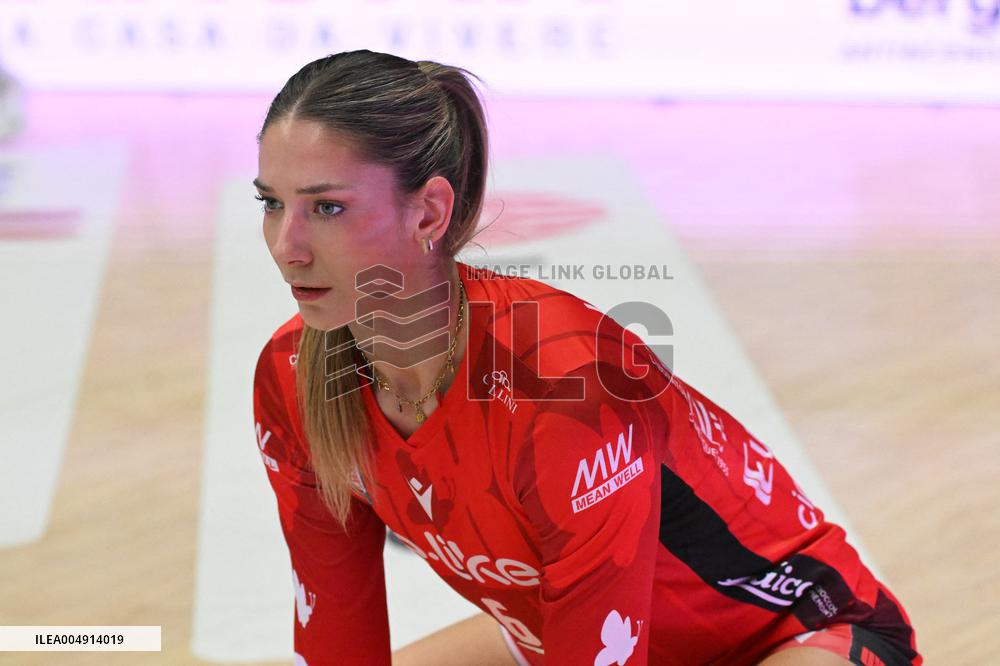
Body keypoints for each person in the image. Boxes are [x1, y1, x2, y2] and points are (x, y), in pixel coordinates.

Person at [251, 49, 922, 666]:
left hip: (794, 637)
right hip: (559, 632)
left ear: (428, 214)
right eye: (272, 203)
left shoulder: (565, 382)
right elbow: (335, 624)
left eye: (328, 207)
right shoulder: (290, 375)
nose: (287, 246)